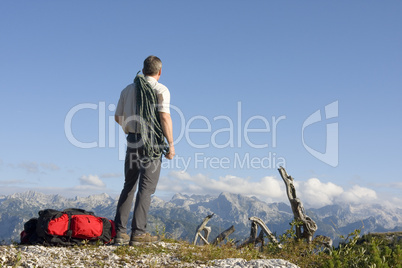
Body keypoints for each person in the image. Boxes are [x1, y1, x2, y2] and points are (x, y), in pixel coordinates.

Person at [114, 55, 175, 245]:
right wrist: (171, 144)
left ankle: (119, 233)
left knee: (129, 185)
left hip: (132, 141)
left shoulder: (128, 89)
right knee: (146, 189)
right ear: (159, 72)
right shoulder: (160, 89)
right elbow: (164, 117)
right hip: (152, 144)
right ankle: (139, 233)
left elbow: (118, 116)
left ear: (143, 69)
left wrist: (131, 129)